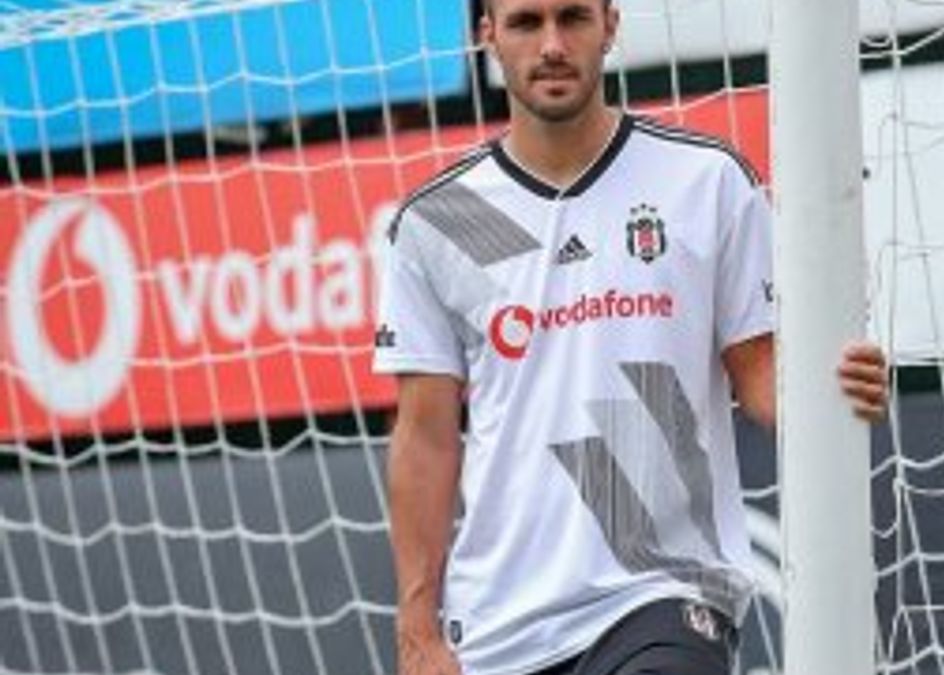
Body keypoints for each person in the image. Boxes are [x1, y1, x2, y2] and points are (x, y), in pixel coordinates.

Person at [372, 0, 888, 673]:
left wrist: (836, 392)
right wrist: (417, 625)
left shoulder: (703, 180)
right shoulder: (440, 219)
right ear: (487, 35)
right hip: (501, 624)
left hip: (663, 589)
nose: (552, 45)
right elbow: (426, 437)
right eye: (526, 22)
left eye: (573, 18)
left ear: (610, 25)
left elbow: (761, 374)